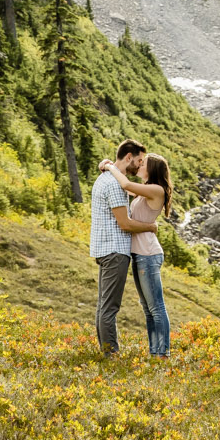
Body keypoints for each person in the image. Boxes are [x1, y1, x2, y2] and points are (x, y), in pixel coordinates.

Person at [90, 138, 156, 354]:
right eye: (138, 160)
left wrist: (107, 164)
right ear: (128, 157)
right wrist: (150, 227)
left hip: (104, 249)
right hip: (115, 251)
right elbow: (125, 223)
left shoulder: (105, 178)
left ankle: (106, 351)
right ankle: (111, 355)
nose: (139, 165)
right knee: (110, 307)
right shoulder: (115, 185)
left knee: (104, 305)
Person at [106, 152, 174, 357]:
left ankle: (162, 353)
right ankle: (155, 352)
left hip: (148, 254)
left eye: (142, 163)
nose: (139, 165)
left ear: (151, 168)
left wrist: (111, 167)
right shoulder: (146, 191)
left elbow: (126, 185)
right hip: (139, 254)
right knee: (147, 308)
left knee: (156, 307)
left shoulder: (155, 189)